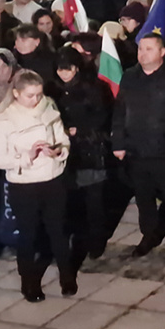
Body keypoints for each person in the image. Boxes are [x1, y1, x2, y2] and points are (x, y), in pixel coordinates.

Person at [0, 70, 74, 303]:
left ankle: (67, 277)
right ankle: (29, 283)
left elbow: (63, 140)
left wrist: (58, 151)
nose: (36, 100)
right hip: (24, 185)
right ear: (16, 94)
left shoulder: (49, 109)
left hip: (53, 179)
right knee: (29, 235)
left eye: (38, 94)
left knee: (58, 231)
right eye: (29, 96)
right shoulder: (2, 122)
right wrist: (28, 155)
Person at [111, 34, 165, 259]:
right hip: (136, 151)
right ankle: (148, 235)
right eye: (140, 49)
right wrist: (118, 142)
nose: (142, 53)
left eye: (148, 49)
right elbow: (119, 112)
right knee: (143, 198)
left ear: (162, 52)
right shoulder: (129, 76)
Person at [52, 47, 113, 261]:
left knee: (94, 201)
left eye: (67, 69)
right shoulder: (55, 89)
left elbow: (104, 116)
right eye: (60, 69)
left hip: (90, 150)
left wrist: (81, 130)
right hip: (68, 154)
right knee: (74, 201)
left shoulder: (94, 88)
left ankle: (96, 242)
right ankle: (79, 238)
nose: (63, 74)